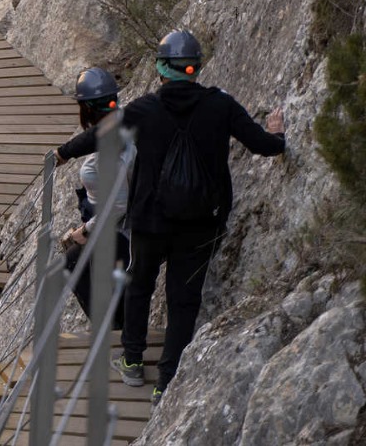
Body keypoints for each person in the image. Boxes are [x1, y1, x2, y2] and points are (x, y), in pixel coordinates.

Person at [55, 29, 285, 403]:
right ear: (195, 68)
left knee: (140, 284)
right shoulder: (220, 105)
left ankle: (131, 362)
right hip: (201, 223)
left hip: (151, 221)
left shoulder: (144, 109)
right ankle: (166, 382)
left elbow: (99, 137)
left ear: (161, 68)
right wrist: (278, 136)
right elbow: (263, 145)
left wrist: (62, 153)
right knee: (183, 299)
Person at [61, 67, 135, 331]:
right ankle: (114, 329)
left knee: (79, 259)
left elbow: (118, 205)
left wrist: (85, 230)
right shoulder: (123, 125)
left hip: (125, 232)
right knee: (73, 261)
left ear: (86, 108)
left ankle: (117, 333)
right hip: (125, 227)